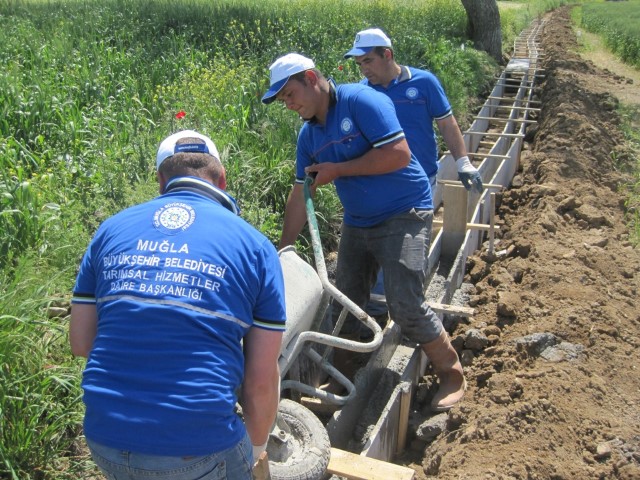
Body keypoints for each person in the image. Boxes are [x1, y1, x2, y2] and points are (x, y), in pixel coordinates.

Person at [69, 130, 286, 479]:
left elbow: (81, 343)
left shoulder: (109, 231)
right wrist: (256, 447)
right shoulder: (256, 247)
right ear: (223, 179)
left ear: (160, 181)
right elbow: (259, 382)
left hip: (104, 438)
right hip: (197, 449)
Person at [261, 53, 465, 411]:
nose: (289, 105)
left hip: (406, 211)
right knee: (345, 303)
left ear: (311, 78)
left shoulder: (361, 101)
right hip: (359, 220)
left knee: (404, 303)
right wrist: (283, 253)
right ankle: (341, 370)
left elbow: (399, 155)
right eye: (283, 101)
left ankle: (451, 372)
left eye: (290, 94)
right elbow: (300, 194)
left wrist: (338, 170)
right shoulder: (309, 136)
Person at [344, 27, 484, 317]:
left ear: (388, 55)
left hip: (421, 182)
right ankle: (379, 309)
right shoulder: (363, 94)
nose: (364, 69)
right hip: (383, 182)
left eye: (368, 61)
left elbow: (446, 123)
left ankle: (401, 307)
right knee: (384, 243)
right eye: (360, 64)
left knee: (406, 246)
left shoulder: (423, 83)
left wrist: (463, 162)